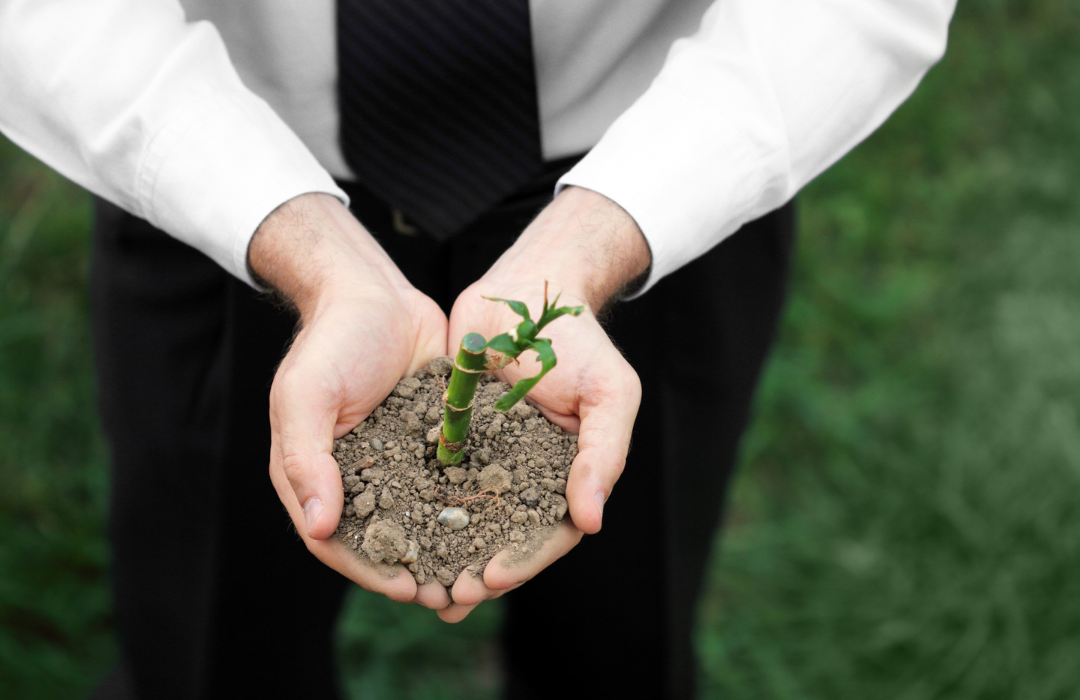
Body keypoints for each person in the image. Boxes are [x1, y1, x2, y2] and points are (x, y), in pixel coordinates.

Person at [0, 1, 957, 697]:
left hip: (661, 154)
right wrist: (280, 221)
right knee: (208, 642)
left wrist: (612, 223)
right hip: (223, 166)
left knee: (620, 637)